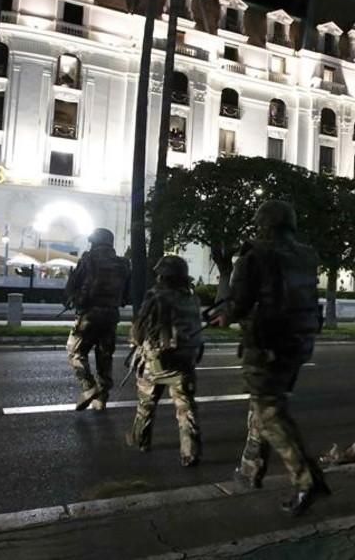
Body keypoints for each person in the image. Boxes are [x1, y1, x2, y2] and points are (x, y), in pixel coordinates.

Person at [215, 200, 329, 515]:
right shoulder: (306, 255)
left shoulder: (255, 255)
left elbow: (238, 304)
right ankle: (250, 470)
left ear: (263, 224)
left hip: (266, 343)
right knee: (263, 405)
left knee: (268, 412)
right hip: (299, 342)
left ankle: (307, 481)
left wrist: (224, 315)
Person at [125, 255, 203, 464]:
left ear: (163, 276)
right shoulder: (191, 297)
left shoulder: (156, 295)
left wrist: (134, 341)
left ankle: (140, 439)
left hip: (157, 362)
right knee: (186, 408)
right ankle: (190, 452)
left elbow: (140, 330)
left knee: (146, 403)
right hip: (185, 361)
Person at [65, 228, 131, 411]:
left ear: (95, 242)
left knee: (74, 351)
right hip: (112, 315)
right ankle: (102, 398)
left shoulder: (88, 259)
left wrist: (74, 296)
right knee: (104, 356)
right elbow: (127, 295)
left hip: (89, 315)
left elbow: (74, 285)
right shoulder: (123, 263)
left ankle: (89, 387)